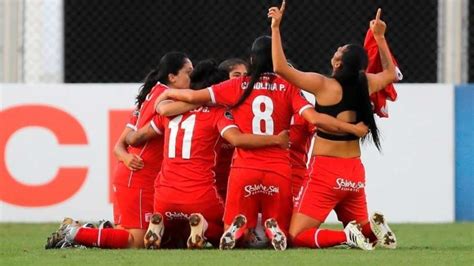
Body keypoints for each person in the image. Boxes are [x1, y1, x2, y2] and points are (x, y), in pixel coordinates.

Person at [153, 37, 369, 251]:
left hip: (244, 169)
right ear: (276, 59)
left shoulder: (237, 85)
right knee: (287, 233)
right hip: (278, 169)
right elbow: (314, 118)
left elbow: (194, 97)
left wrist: (168, 92)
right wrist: (353, 128)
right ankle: (272, 229)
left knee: (230, 228)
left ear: (252, 60)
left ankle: (237, 231)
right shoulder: (288, 87)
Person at [269, 2, 398, 250]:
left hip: (325, 172)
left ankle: (345, 236)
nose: (335, 50)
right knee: (365, 236)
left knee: (298, 235)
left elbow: (280, 68)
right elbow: (392, 74)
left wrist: (276, 28)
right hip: (354, 173)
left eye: (339, 51)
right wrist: (380, 38)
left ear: (338, 63)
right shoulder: (367, 83)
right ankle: (372, 228)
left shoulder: (323, 85)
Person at [124, 59, 290, 249]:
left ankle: (160, 226)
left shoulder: (170, 112)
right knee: (227, 228)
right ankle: (202, 227)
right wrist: (276, 140)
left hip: (163, 197)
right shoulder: (218, 113)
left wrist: (125, 141)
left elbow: (136, 137)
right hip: (200, 195)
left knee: (175, 238)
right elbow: (237, 139)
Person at [45, 52, 195, 249]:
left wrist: (124, 156)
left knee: (145, 235)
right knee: (136, 242)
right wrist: (208, 97)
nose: (191, 78)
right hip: (139, 176)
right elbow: (165, 111)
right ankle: (73, 233)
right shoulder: (164, 98)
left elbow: (119, 145)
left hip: (135, 174)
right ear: (172, 77)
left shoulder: (150, 96)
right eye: (188, 72)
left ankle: (86, 232)